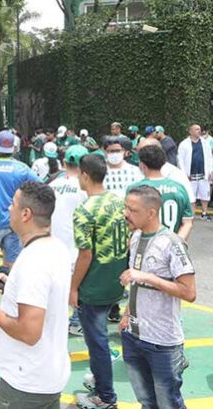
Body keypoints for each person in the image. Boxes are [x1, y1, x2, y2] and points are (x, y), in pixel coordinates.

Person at [0, 181, 71, 409]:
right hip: (46, 375)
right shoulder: (56, 248)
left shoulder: (33, 261)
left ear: (26, 214)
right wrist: (11, 286)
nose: (9, 208)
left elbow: (29, 332)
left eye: (13, 204)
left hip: (25, 382)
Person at [120, 185, 196, 409]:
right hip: (133, 336)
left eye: (132, 210)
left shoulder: (172, 243)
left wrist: (147, 277)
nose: (126, 214)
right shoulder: (135, 238)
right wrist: (127, 315)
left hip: (162, 342)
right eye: (126, 207)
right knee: (146, 401)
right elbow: (136, 283)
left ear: (151, 213)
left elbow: (189, 292)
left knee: (168, 403)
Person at [72, 154, 129, 409]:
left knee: (97, 342)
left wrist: (73, 287)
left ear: (85, 175)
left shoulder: (84, 210)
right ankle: (99, 385)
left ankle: (105, 396)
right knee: (100, 340)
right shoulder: (118, 202)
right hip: (115, 282)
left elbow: (85, 253)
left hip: (93, 285)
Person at [0, 130, 39, 268]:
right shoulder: (22, 169)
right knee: (12, 265)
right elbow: (41, 187)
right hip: (15, 223)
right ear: (14, 148)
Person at [49, 145, 89, 335]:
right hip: (77, 248)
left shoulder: (52, 185)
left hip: (54, 247)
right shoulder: (85, 188)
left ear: (64, 163)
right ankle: (76, 320)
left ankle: (58, 322)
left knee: (57, 290)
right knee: (80, 288)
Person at [130, 144, 194, 241]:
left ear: (142, 165)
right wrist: (177, 243)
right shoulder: (179, 188)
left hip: (144, 245)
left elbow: (130, 223)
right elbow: (188, 223)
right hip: (172, 244)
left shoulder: (135, 189)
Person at [177, 124, 213, 220]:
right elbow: (180, 159)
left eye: (199, 129)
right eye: (196, 129)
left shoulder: (205, 143)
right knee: (190, 194)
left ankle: (204, 212)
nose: (199, 131)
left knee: (204, 194)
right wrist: (184, 173)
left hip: (203, 173)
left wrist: (210, 171)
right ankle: (191, 214)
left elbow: (210, 157)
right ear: (190, 131)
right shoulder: (184, 144)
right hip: (190, 174)